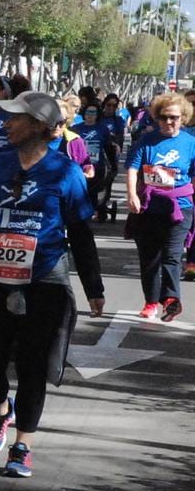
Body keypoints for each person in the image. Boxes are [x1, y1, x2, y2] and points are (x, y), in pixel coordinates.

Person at [0, 91, 105, 478]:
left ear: (38, 126)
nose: (6, 124)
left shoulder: (65, 171)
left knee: (34, 366)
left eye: (15, 118)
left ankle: (23, 446)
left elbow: (81, 232)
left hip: (46, 277)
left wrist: (94, 286)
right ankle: (1, 410)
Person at [125, 90, 195, 321]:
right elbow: (133, 168)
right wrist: (132, 196)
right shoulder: (146, 141)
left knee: (172, 255)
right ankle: (151, 302)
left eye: (174, 117)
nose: (168, 122)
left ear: (182, 118)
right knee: (150, 257)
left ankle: (171, 300)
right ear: (157, 117)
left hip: (180, 206)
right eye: (164, 117)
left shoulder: (190, 143)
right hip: (149, 206)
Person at [72, 104, 111, 214]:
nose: (90, 115)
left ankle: (91, 211)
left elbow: (108, 147)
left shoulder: (103, 129)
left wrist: (113, 164)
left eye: (93, 112)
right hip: (80, 165)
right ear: (84, 114)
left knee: (93, 190)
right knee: (80, 189)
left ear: (97, 115)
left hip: (97, 165)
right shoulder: (76, 128)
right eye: (88, 112)